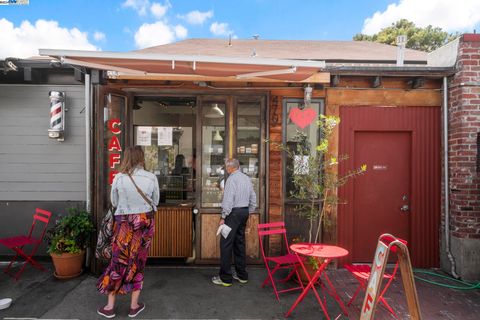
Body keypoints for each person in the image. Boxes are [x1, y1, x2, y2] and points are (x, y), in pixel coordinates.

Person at [97, 146, 159, 319]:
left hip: (123, 221)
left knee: (118, 260)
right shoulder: (151, 177)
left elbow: (114, 201)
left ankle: (110, 307)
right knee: (138, 261)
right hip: (144, 222)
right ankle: (134, 306)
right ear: (141, 158)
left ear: (126, 158)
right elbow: (156, 201)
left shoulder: (119, 178)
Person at [212, 158, 257, 287]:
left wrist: (223, 216)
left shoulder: (231, 179)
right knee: (239, 242)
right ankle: (242, 275)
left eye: (227, 167)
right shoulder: (246, 178)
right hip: (244, 212)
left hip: (233, 213)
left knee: (225, 244)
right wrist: (250, 210)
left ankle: (225, 278)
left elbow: (228, 200)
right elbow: (253, 197)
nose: (226, 169)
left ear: (231, 168)